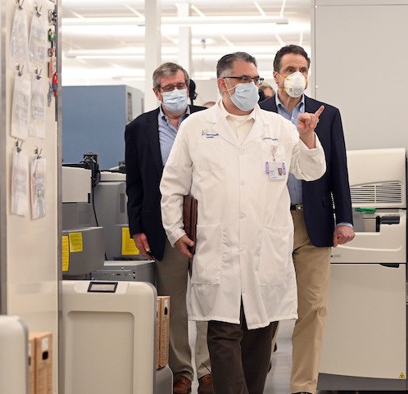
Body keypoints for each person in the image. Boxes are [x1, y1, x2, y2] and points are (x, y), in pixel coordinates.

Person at [160, 52, 327, 394]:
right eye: (243, 80)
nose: (252, 86)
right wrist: (175, 231)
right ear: (223, 84)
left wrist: (309, 138)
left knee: (259, 339)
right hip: (218, 251)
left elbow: (311, 171)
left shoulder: (278, 128)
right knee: (222, 336)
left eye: (254, 79)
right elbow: (172, 184)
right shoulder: (197, 127)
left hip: (266, 251)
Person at [259, 44, 355, 394]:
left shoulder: (326, 114)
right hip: (267, 223)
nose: (296, 75)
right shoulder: (258, 113)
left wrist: (344, 219)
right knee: (263, 306)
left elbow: (339, 171)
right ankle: (257, 374)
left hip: (312, 222)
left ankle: (303, 386)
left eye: (302, 68)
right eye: (289, 69)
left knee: (313, 309)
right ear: (276, 75)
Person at [124, 62, 213, 394]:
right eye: (169, 87)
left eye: (182, 85)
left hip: (207, 222)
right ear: (157, 92)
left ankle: (207, 370)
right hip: (163, 226)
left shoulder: (207, 122)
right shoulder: (139, 129)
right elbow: (135, 183)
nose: (177, 92)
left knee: (208, 297)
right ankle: (182, 371)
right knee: (173, 303)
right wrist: (137, 229)